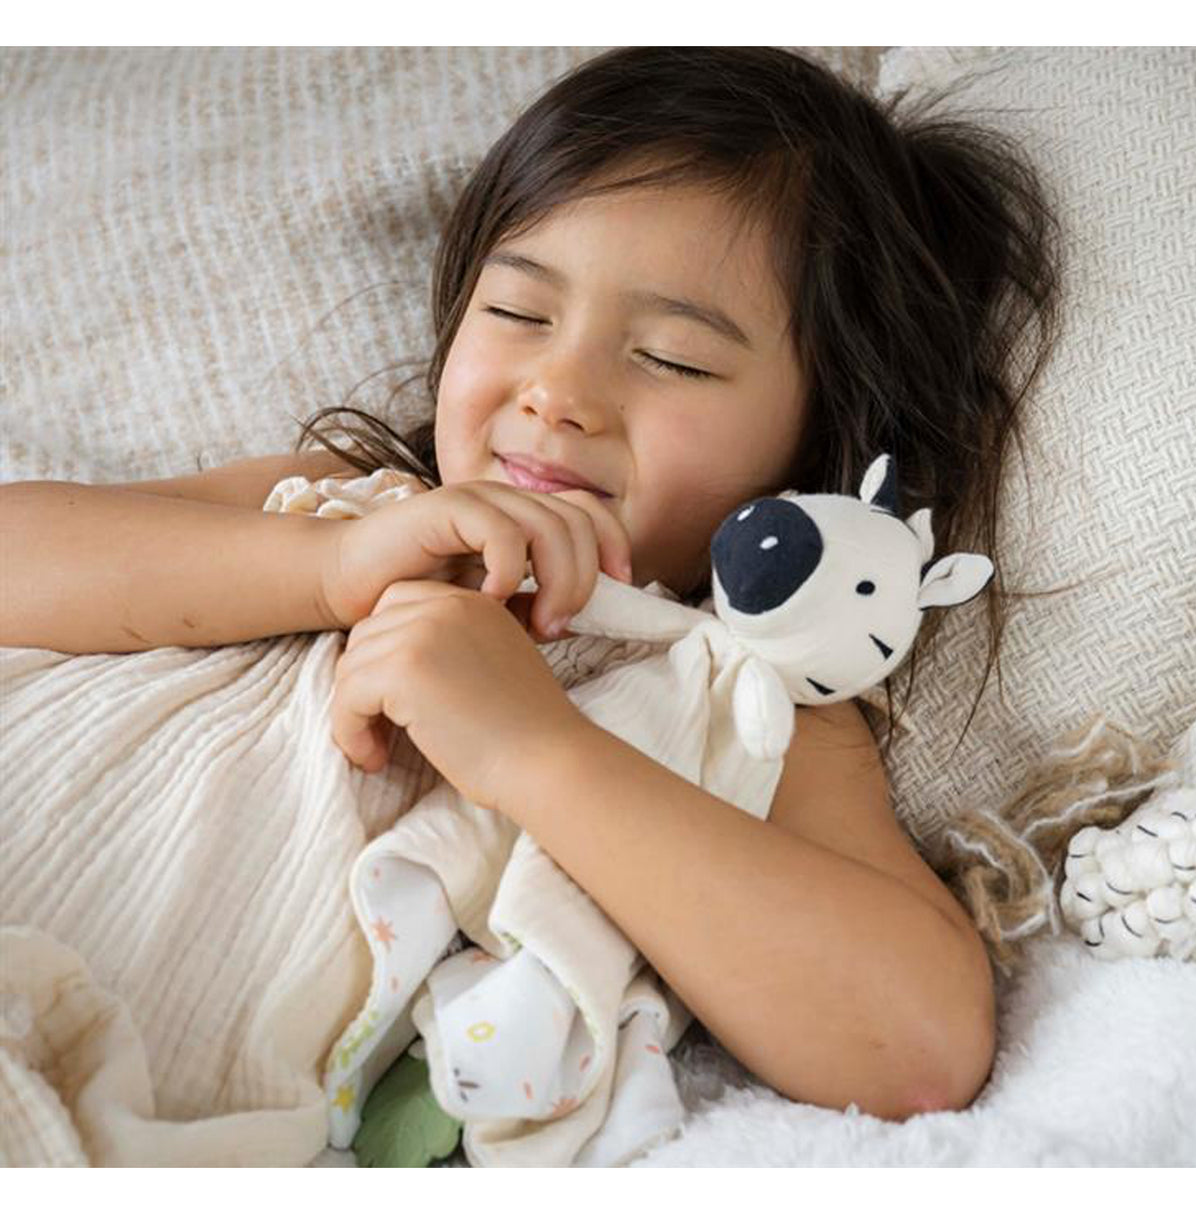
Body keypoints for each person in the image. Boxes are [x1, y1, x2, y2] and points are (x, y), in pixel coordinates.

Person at [0, 46, 1062, 1123]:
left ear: (820, 431)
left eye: (673, 358)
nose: (558, 391)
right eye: (517, 312)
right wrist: (325, 570)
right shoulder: (340, 500)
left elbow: (915, 1044)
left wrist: (530, 747)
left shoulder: (741, 700)